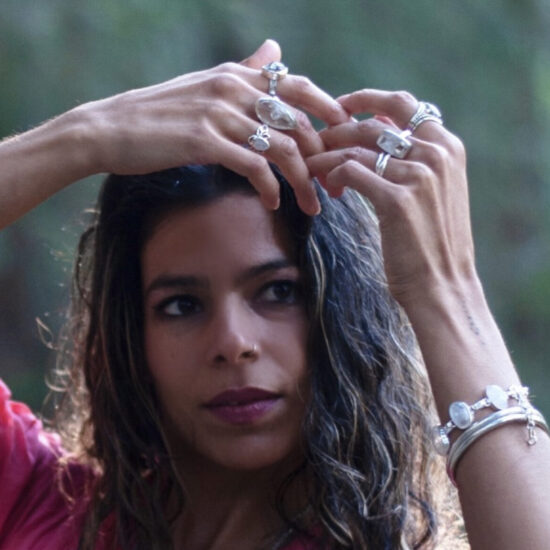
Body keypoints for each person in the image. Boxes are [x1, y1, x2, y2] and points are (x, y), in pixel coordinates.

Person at [0, 38, 549, 550]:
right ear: (130, 336)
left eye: (279, 292)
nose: (233, 342)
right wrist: (84, 136)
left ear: (341, 314)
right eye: (181, 305)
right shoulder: (37, 505)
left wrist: (446, 290)